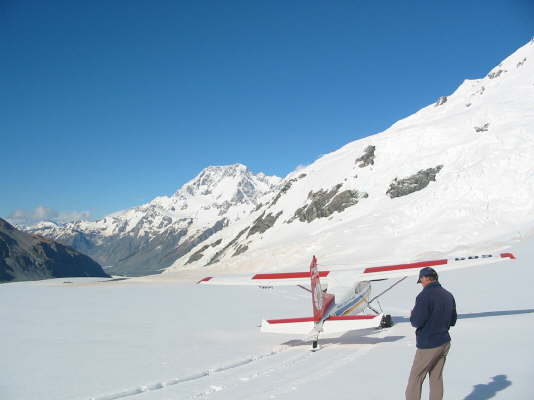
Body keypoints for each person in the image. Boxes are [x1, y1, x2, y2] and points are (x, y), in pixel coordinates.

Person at [405, 267, 457, 400]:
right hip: (444, 342)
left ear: (424, 278)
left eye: (420, 281)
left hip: (429, 344)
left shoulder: (424, 296)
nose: (421, 284)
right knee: (436, 378)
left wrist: (413, 315)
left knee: (415, 378)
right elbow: (452, 320)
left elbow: (416, 321)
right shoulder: (448, 295)